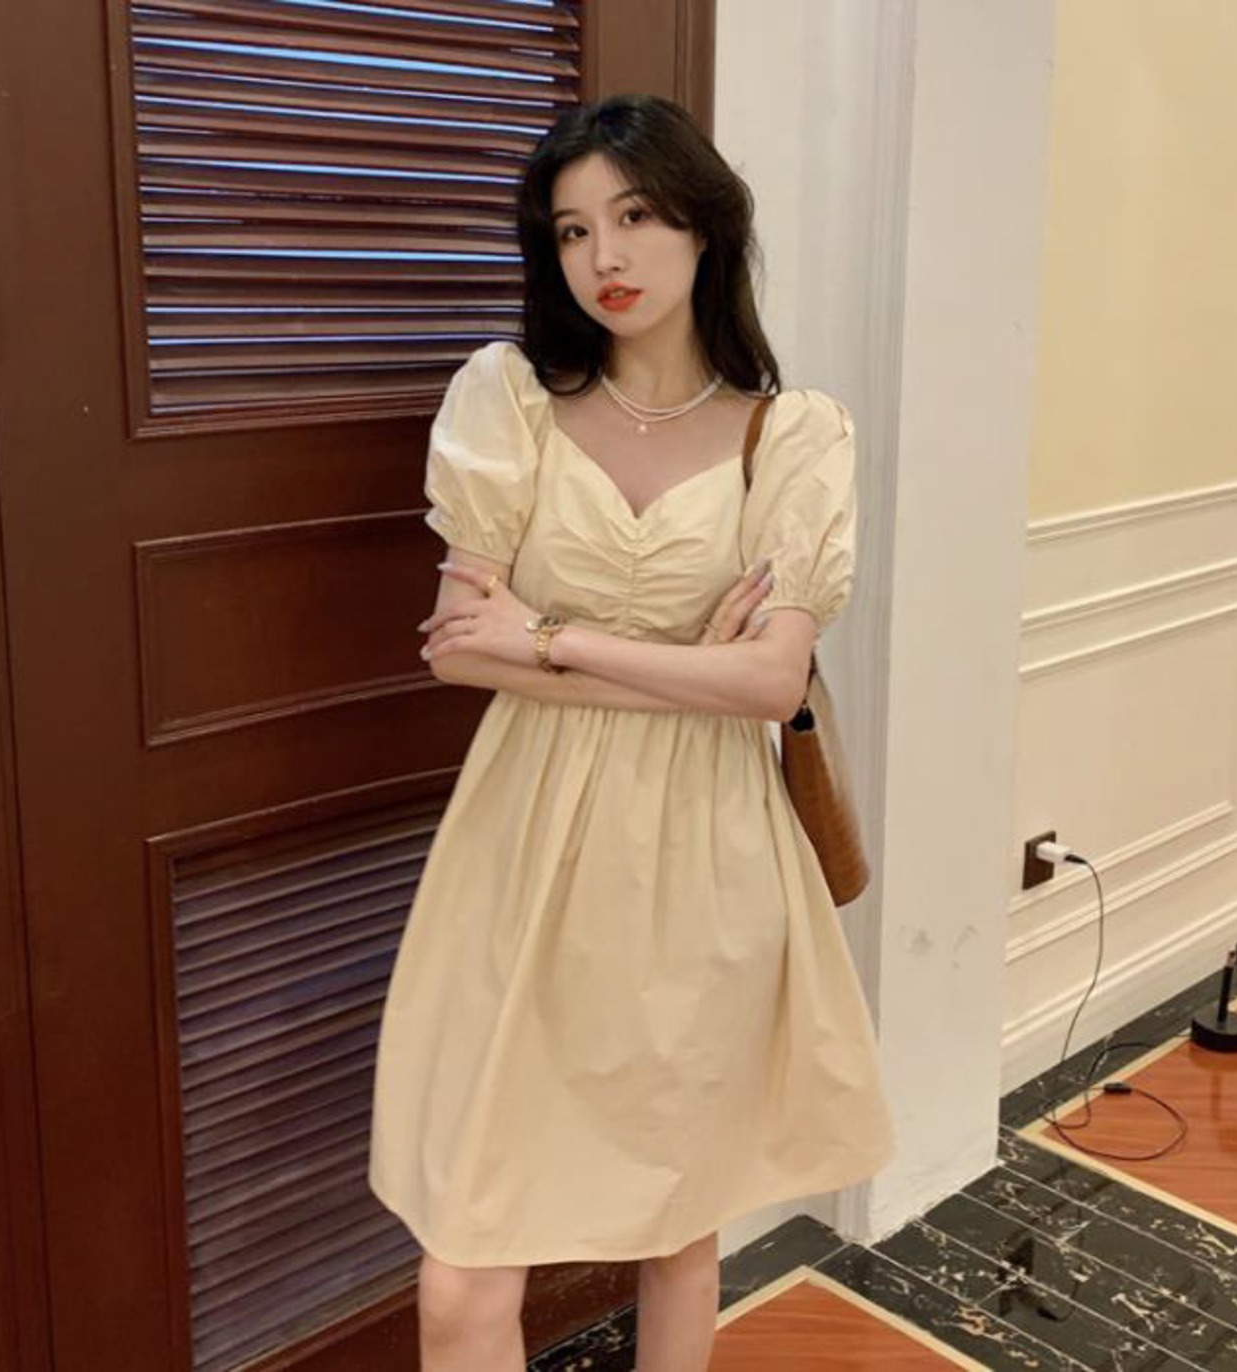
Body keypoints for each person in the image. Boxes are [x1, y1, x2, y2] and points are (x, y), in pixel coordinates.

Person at [367, 93, 894, 1372]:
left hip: (708, 853)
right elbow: (457, 648)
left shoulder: (792, 433)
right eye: (570, 230)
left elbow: (768, 684)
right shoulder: (508, 403)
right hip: (522, 840)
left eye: (637, 215)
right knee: (461, 1273)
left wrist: (549, 637)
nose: (603, 255)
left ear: (706, 227)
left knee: (677, 1219)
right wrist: (685, 663)